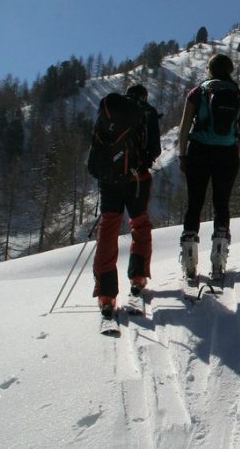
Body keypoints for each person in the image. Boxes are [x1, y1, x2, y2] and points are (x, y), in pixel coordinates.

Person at [89, 84, 161, 318]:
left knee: (108, 228)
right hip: (136, 180)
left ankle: (106, 294)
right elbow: (155, 149)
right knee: (139, 224)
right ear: (144, 96)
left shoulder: (110, 110)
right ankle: (137, 278)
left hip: (109, 180)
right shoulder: (147, 112)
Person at [177, 54, 240, 284]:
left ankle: (189, 260)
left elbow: (185, 125)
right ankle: (219, 258)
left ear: (210, 69)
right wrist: (235, 154)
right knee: (221, 204)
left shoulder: (198, 92)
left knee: (194, 203)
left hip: (199, 151)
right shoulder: (237, 94)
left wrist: (182, 153)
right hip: (227, 154)